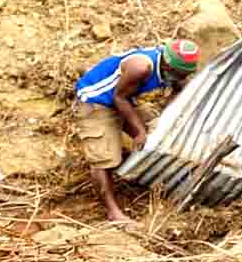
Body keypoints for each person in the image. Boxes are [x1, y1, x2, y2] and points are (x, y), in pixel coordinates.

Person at [75, 40, 200, 223]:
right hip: (96, 102)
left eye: (185, 74)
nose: (180, 77)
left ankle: (147, 177)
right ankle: (113, 212)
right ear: (167, 64)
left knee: (158, 131)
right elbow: (119, 98)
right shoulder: (141, 67)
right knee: (104, 159)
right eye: (178, 73)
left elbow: (178, 89)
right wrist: (139, 132)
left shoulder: (174, 70)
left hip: (125, 99)